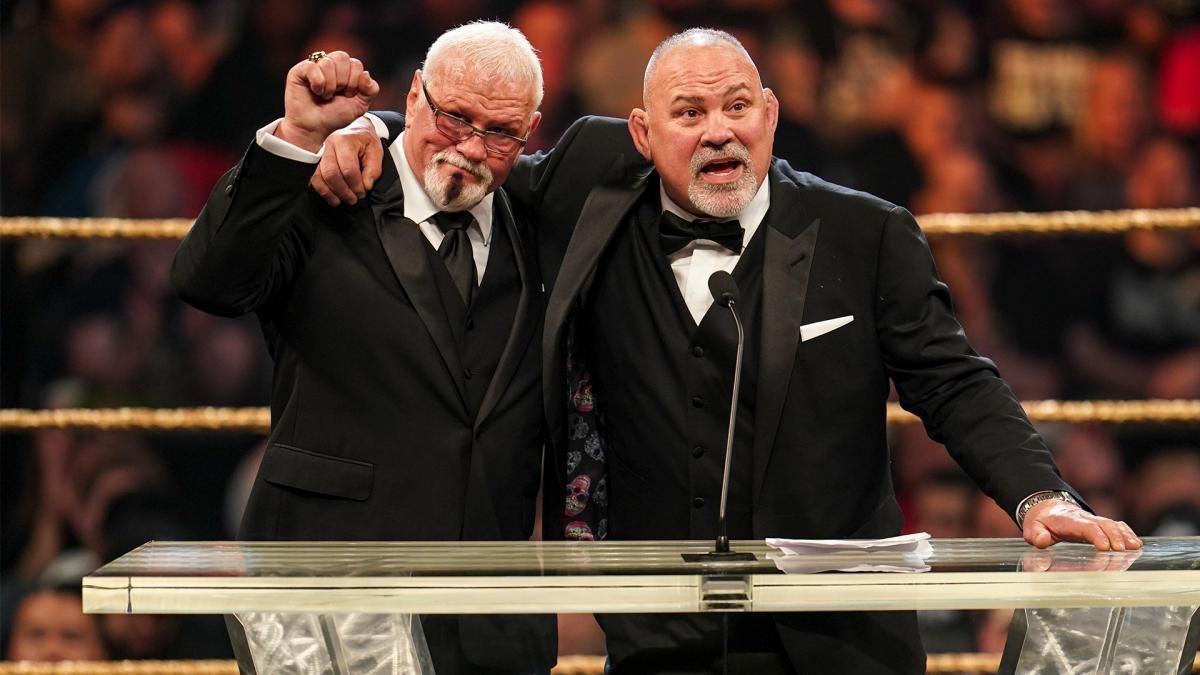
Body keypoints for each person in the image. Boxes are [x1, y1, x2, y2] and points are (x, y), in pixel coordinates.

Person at [316, 28, 1141, 675]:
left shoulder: (866, 231)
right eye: (689, 114)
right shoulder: (587, 191)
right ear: (642, 133)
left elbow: (955, 382)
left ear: (771, 114)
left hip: (842, 645)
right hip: (657, 641)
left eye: (738, 107)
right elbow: (469, 140)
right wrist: (372, 128)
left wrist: (1038, 496)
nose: (719, 132)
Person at [171, 22, 555, 674]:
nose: (469, 147)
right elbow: (208, 281)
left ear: (529, 131)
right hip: (328, 596)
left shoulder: (539, 215)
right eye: (455, 117)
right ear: (413, 97)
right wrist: (297, 139)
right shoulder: (325, 188)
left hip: (489, 616)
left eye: (499, 133)